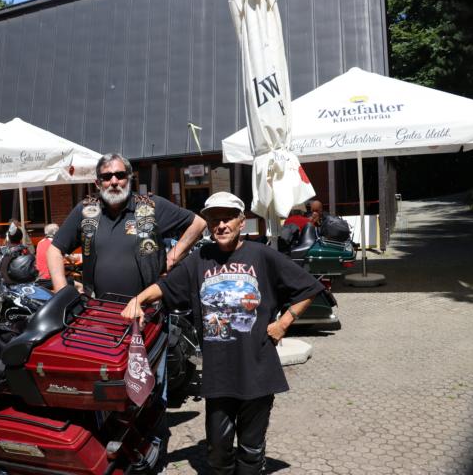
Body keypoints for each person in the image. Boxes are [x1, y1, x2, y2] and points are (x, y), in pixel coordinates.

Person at [121, 192, 325, 475]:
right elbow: (166, 288)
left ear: (241, 222)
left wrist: (284, 322)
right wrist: (138, 299)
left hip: (257, 370)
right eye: (215, 220)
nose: (221, 225)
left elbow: (309, 288)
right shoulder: (199, 259)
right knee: (217, 452)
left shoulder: (262, 255)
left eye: (228, 218)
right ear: (208, 225)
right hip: (219, 373)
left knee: (251, 452)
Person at [47, 152, 207, 297]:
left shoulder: (151, 206)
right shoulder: (85, 211)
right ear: (97, 183)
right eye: (107, 177)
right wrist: (62, 293)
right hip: (98, 310)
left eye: (120, 175)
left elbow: (198, 223)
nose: (114, 181)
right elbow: (54, 250)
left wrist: (171, 259)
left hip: (146, 308)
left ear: (129, 179)